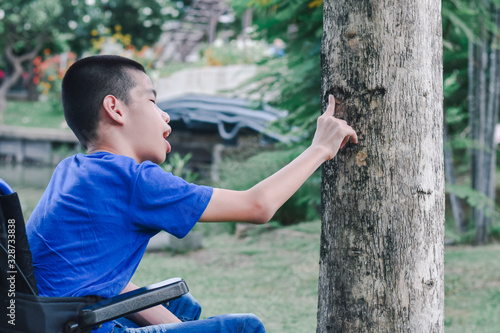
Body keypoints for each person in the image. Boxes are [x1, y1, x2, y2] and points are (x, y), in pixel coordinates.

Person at [26, 55, 357, 333]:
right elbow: (257, 206)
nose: (166, 115)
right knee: (243, 328)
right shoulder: (134, 180)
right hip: (76, 324)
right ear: (115, 108)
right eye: (153, 101)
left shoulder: (71, 171)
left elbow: (98, 282)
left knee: (178, 306)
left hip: (49, 320)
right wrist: (321, 148)